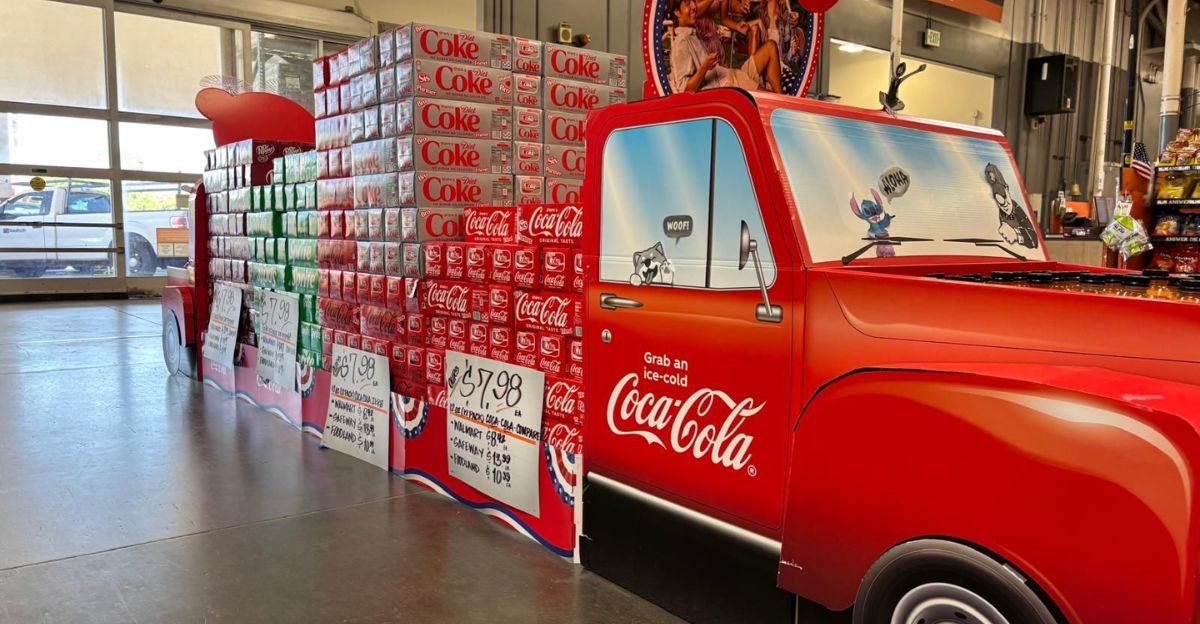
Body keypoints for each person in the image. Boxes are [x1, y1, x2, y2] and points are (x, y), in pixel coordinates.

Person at [670, 0, 783, 93]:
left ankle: (782, 99)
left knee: (771, 46)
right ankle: (781, 102)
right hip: (729, 84)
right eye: (687, 3)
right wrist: (704, 68)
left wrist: (740, 16)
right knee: (772, 98)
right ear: (677, 12)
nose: (694, 6)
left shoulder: (694, 34)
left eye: (693, 2)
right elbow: (685, 90)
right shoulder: (682, 42)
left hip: (731, 75)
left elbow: (729, 14)